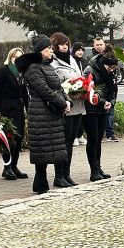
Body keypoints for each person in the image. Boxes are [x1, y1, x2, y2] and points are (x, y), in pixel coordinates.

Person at [18, 35, 69, 194]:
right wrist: (62, 103)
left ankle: (39, 184)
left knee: (50, 148)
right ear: (41, 50)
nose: (51, 50)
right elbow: (44, 91)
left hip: (51, 113)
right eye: (48, 48)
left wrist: (67, 101)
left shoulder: (47, 65)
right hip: (40, 113)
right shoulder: (33, 68)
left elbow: (58, 87)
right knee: (42, 150)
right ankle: (42, 185)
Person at [50, 32, 84, 187]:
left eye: (66, 44)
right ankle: (59, 175)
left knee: (70, 142)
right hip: (65, 106)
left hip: (78, 104)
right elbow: (55, 84)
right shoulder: (53, 62)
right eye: (61, 44)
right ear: (55, 45)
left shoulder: (72, 59)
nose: (64, 47)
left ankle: (67, 174)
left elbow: (80, 77)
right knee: (63, 142)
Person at [0, 47, 28, 181]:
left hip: (18, 108)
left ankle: (14, 165)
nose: (18, 60)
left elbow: (24, 93)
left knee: (18, 138)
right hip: (7, 107)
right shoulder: (3, 71)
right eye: (15, 57)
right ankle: (7, 167)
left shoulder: (22, 73)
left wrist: (29, 109)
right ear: (10, 58)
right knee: (8, 139)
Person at [81, 49, 119, 181]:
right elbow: (87, 91)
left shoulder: (111, 72)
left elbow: (114, 90)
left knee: (99, 139)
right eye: (109, 67)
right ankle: (93, 169)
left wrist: (111, 103)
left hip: (104, 109)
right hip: (91, 109)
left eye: (113, 67)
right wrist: (102, 102)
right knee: (92, 139)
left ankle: (98, 166)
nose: (111, 70)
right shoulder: (90, 70)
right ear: (103, 63)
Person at [93, 37, 121, 142]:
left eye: (101, 44)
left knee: (110, 115)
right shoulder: (94, 63)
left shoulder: (112, 62)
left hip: (109, 96)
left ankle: (110, 133)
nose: (99, 46)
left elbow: (114, 87)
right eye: (97, 45)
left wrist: (112, 101)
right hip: (98, 99)